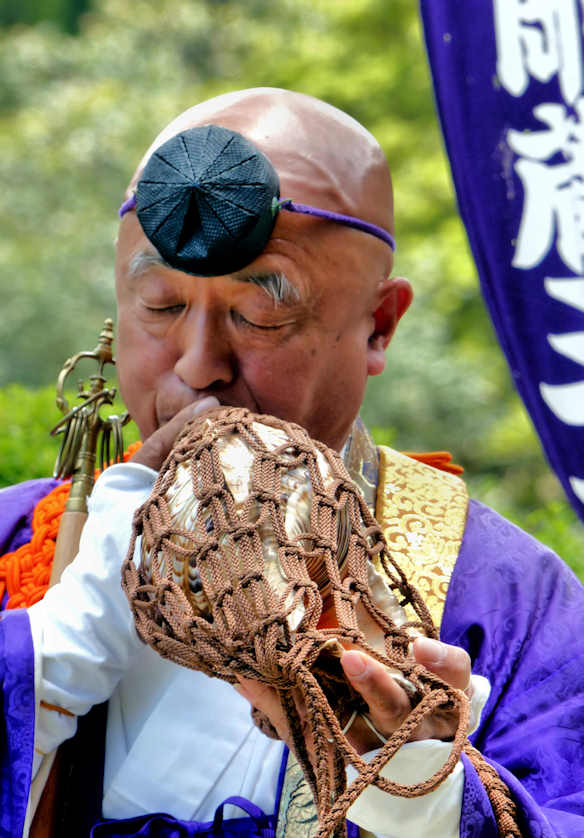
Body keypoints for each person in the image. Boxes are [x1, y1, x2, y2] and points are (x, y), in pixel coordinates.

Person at [1, 87, 583, 838]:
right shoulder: (21, 539)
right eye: (162, 307)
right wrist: (50, 659)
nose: (198, 366)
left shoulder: (505, 595)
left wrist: (433, 801)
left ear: (379, 325)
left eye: (257, 315)